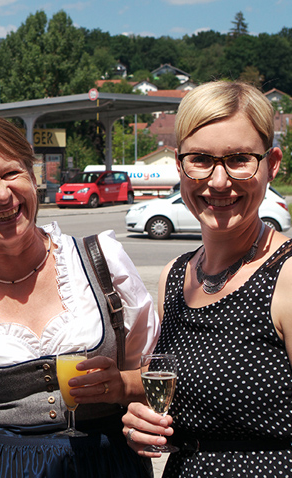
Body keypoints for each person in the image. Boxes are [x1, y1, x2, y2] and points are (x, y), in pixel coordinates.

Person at [0, 111, 160, 478]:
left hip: (110, 465)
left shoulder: (102, 262)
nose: (1, 194)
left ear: (33, 177)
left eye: (11, 173)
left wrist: (132, 403)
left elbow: (150, 370)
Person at [122, 81, 292, 476]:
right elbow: (191, 398)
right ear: (179, 164)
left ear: (272, 163)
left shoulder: (286, 275)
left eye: (238, 159)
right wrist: (142, 424)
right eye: (200, 159)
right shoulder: (176, 275)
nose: (218, 181)